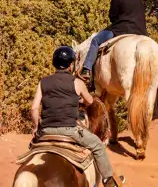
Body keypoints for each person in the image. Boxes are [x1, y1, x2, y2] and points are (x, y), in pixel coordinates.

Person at [31, 46, 124, 187]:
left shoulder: (43, 82)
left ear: (54, 63)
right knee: (97, 145)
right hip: (69, 130)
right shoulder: (77, 82)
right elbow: (90, 101)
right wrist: (79, 99)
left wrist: (36, 126)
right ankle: (108, 180)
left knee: (33, 148)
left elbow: (34, 108)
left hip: (46, 131)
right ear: (71, 65)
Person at [80, 0, 148, 81]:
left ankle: (86, 69)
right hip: (141, 31)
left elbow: (113, 16)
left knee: (95, 40)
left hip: (121, 29)